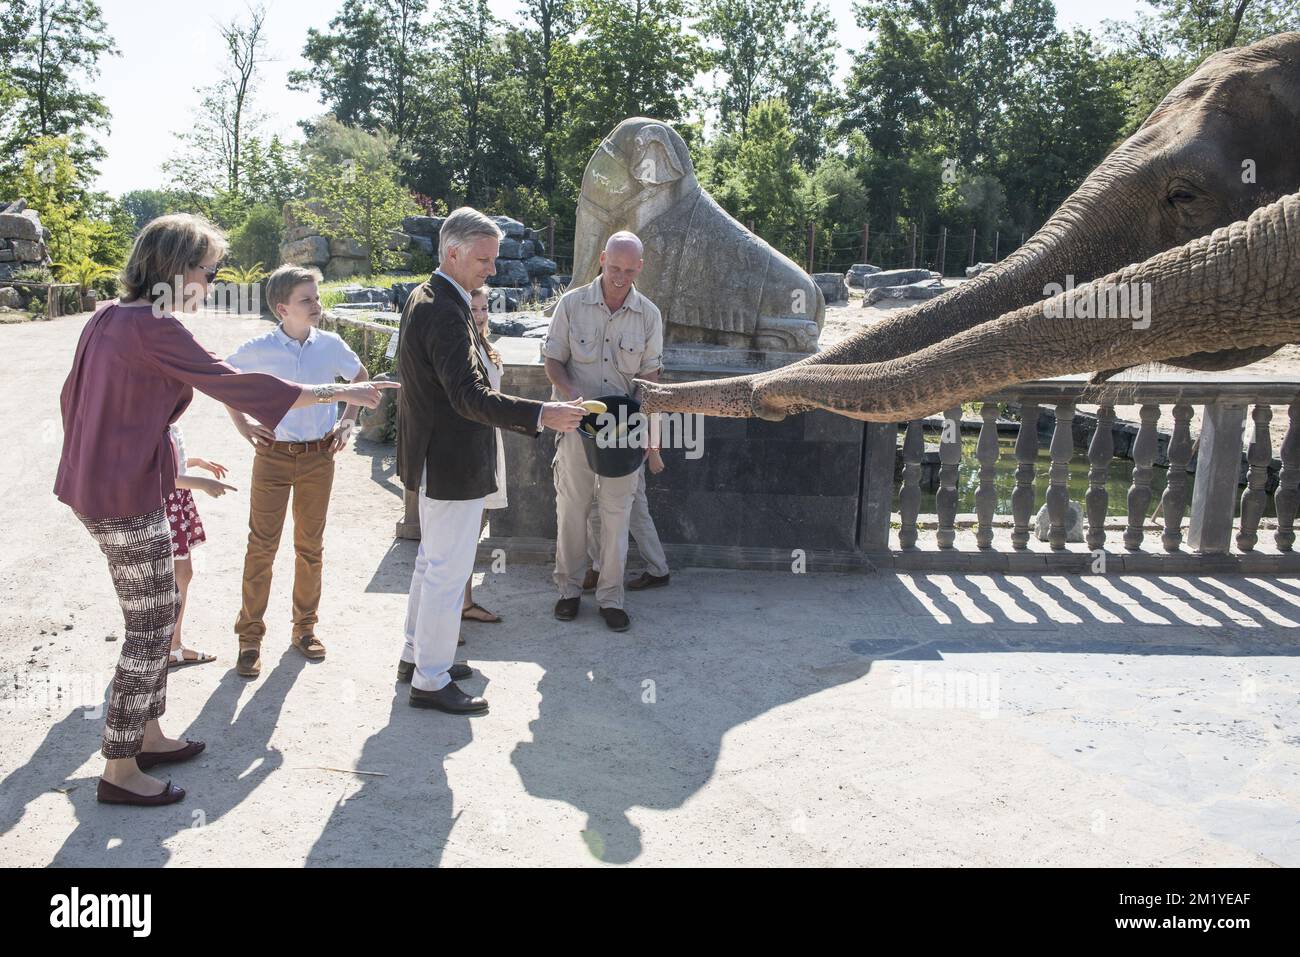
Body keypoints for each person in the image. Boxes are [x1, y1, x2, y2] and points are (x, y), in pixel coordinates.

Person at [54, 213, 396, 806]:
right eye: (208, 272)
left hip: (110, 486)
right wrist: (340, 391)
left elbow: (77, 399)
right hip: (124, 497)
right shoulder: (154, 326)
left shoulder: (111, 315)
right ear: (175, 269)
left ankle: (150, 734)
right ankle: (119, 768)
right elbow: (232, 383)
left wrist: (143, 453)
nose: (211, 285)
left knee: (155, 618)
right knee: (152, 627)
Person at [397, 207, 586, 714]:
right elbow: (466, 396)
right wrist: (542, 412)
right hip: (452, 458)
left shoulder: (429, 297)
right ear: (453, 253)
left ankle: (417, 657)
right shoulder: (443, 308)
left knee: (430, 564)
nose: (492, 269)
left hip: (440, 456)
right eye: (484, 259)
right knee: (445, 569)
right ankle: (430, 680)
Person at [223, 265, 370, 678]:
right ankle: (249, 637)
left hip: (318, 457)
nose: (317, 305)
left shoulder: (331, 345)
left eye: (317, 297)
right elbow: (223, 382)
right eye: (307, 300)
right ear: (282, 308)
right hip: (272, 457)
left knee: (310, 546)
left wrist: (347, 420)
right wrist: (243, 425)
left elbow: (359, 378)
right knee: (261, 547)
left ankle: (304, 629)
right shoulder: (258, 349)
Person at [543, 231, 664, 631]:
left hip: (622, 431)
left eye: (629, 270)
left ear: (640, 268)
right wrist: (572, 394)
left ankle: (612, 599)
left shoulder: (649, 314)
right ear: (601, 260)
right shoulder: (572, 304)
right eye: (614, 268)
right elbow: (553, 360)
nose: (620, 277)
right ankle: (569, 591)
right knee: (571, 512)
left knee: (616, 516)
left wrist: (649, 431)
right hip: (575, 423)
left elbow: (650, 378)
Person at [166, 422, 235, 668]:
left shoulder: (168, 422)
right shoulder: (158, 422)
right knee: (179, 575)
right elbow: (164, 476)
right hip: (167, 503)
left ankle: (170, 646)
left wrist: (197, 462)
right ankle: (171, 648)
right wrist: (204, 484)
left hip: (175, 501)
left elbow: (174, 462)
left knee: (180, 575)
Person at [461, 285, 506, 625]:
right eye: (473, 308)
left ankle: (464, 600)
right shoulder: (460, 347)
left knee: (474, 527)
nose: (479, 314)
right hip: (468, 445)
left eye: (483, 308)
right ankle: (451, 609)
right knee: (459, 532)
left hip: (490, 439)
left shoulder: (485, 346)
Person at [583, 447, 671, 592]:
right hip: (595, 445)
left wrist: (654, 452)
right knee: (593, 510)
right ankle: (600, 568)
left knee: (637, 513)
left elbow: (654, 422)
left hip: (627, 448)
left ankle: (658, 569)